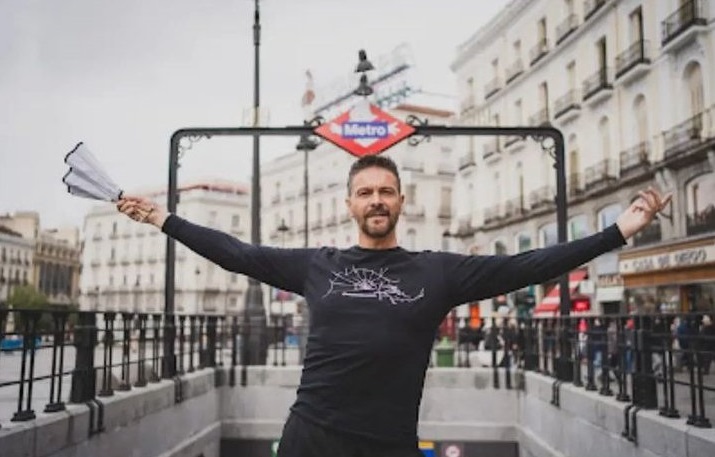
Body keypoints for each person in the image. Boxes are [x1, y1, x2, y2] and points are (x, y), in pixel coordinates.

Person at [117, 155, 670, 457]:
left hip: (389, 446)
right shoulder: (317, 264)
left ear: (401, 201)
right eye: (366, 192)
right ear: (350, 204)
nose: (376, 200)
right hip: (309, 439)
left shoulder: (438, 271)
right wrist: (165, 219)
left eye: (386, 191)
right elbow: (237, 252)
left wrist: (618, 231)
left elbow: (529, 266)